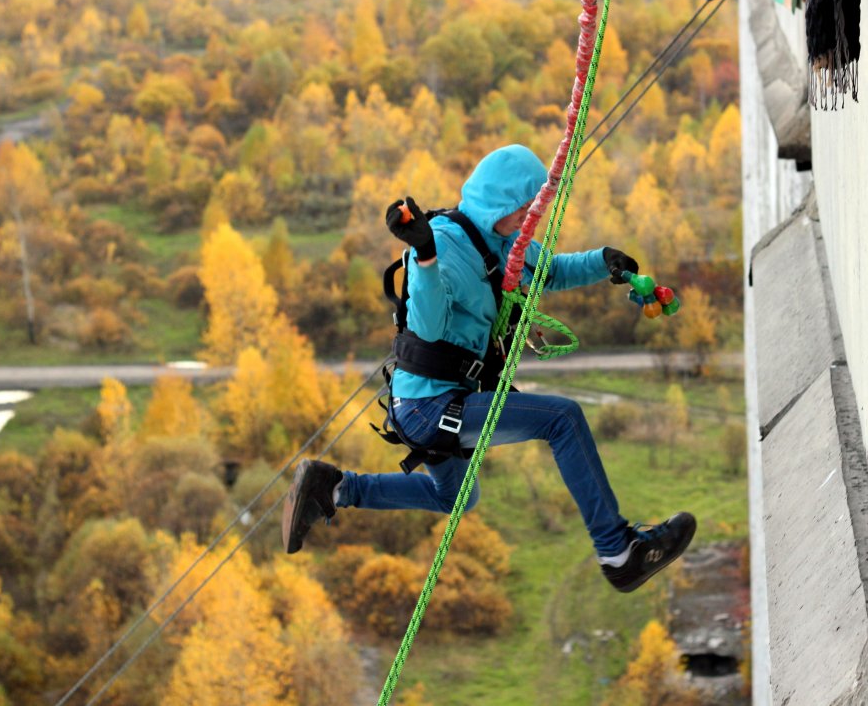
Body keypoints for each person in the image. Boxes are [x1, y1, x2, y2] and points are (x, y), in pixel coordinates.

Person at [282, 144, 696, 593]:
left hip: (438, 399)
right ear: (496, 203)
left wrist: (604, 261)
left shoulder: (504, 245)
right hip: (428, 404)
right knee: (563, 419)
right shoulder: (446, 246)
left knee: (456, 496)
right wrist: (423, 255)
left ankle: (336, 489)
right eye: (521, 210)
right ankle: (618, 551)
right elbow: (427, 322)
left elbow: (550, 271)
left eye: (533, 211)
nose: (527, 220)